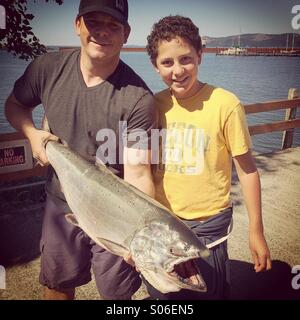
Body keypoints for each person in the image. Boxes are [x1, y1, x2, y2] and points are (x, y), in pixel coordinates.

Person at [5, 0, 157, 300]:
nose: (103, 32)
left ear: (126, 33)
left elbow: (138, 174)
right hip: (61, 203)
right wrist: (32, 134)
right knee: (57, 284)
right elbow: (16, 105)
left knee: (116, 295)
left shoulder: (139, 99)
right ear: (77, 25)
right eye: (94, 22)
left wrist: (141, 234)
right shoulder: (47, 68)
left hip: (115, 215)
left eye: (113, 26)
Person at [145, 15, 272, 299]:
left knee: (207, 293)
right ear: (155, 66)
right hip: (163, 224)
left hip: (207, 226)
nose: (177, 70)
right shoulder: (152, 106)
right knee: (165, 296)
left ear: (200, 55)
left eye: (185, 59)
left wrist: (256, 231)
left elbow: (249, 171)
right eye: (167, 62)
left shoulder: (225, 104)